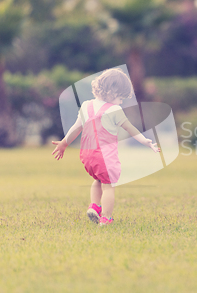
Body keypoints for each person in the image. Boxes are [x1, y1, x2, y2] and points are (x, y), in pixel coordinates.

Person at [51, 68, 160, 226]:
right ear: (113, 93)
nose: (121, 102)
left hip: (87, 156)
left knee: (97, 179)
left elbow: (76, 128)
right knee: (109, 186)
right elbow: (130, 129)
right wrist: (145, 141)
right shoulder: (115, 110)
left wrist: (64, 143)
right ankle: (106, 217)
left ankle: (94, 206)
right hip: (105, 157)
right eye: (121, 98)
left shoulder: (86, 106)